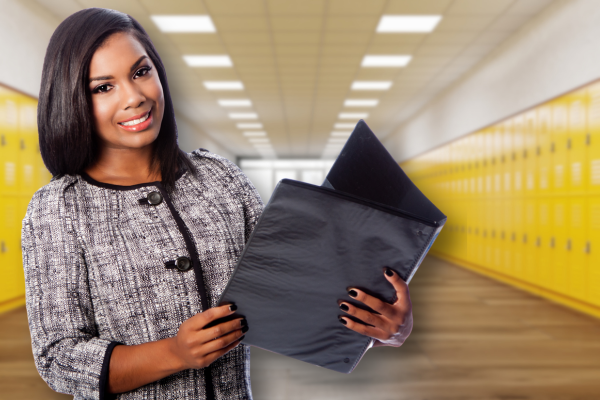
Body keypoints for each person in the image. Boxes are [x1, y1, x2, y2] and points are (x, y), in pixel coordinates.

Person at [22, 8, 414, 400]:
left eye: (141, 72)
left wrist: (382, 330)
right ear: (73, 99)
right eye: (103, 87)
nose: (135, 97)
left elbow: (290, 296)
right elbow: (59, 358)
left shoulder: (220, 179)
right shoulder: (58, 209)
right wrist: (173, 353)